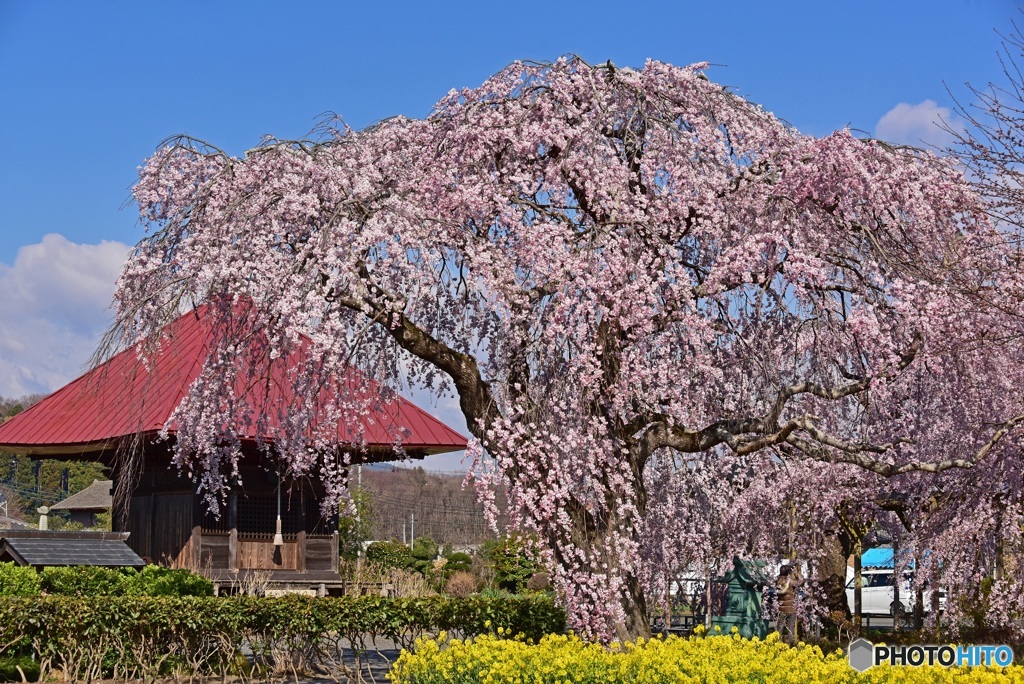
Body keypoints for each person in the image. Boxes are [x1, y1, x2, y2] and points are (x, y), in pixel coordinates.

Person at [776, 562, 803, 644]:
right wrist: (796, 573)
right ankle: (790, 644)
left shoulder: (777, 581)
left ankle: (777, 643)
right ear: (788, 572)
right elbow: (800, 581)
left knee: (779, 627)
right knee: (790, 628)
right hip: (791, 608)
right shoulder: (790, 581)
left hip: (782, 609)